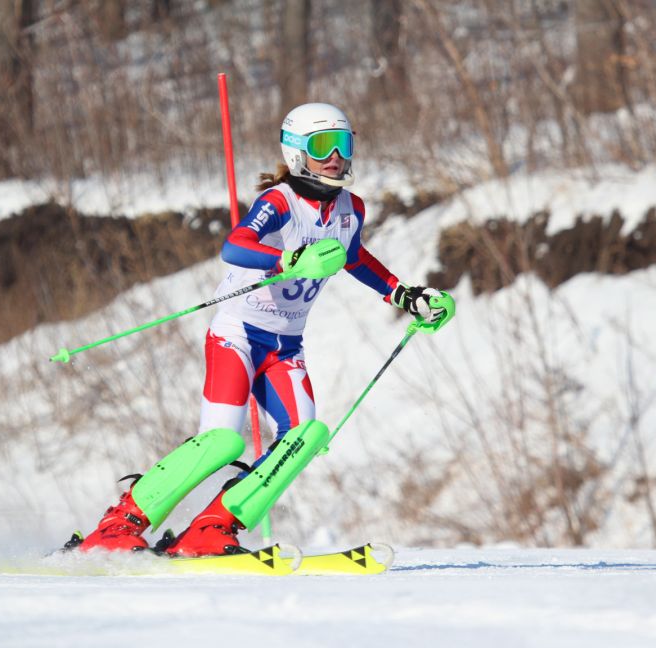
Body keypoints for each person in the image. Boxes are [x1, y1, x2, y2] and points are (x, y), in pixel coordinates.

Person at [75, 103, 450, 556]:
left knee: (305, 435)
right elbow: (235, 246)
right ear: (296, 155)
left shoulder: (351, 208)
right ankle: (119, 524)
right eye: (322, 147)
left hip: (285, 346)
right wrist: (286, 260)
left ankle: (211, 528)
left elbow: (355, 257)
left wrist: (406, 296)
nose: (335, 156)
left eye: (343, 144)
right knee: (221, 440)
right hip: (236, 333)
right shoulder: (281, 201)